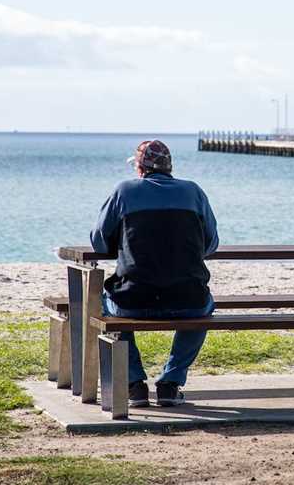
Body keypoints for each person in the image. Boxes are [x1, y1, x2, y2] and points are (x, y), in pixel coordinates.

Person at [91, 139, 219, 407]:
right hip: (189, 301)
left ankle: (135, 384)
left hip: (133, 301)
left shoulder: (124, 191)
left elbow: (100, 242)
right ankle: (171, 382)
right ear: (169, 167)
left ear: (139, 167)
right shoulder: (193, 192)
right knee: (204, 307)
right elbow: (210, 244)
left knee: (104, 302)